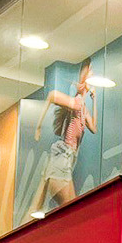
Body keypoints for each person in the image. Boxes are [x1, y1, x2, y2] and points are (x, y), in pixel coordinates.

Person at [29, 62, 96, 216]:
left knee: (68, 210)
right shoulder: (77, 103)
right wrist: (38, 126)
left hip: (66, 160)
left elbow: (93, 127)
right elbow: (52, 95)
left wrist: (95, 99)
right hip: (63, 157)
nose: (92, 73)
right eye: (90, 71)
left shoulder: (83, 107)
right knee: (71, 211)